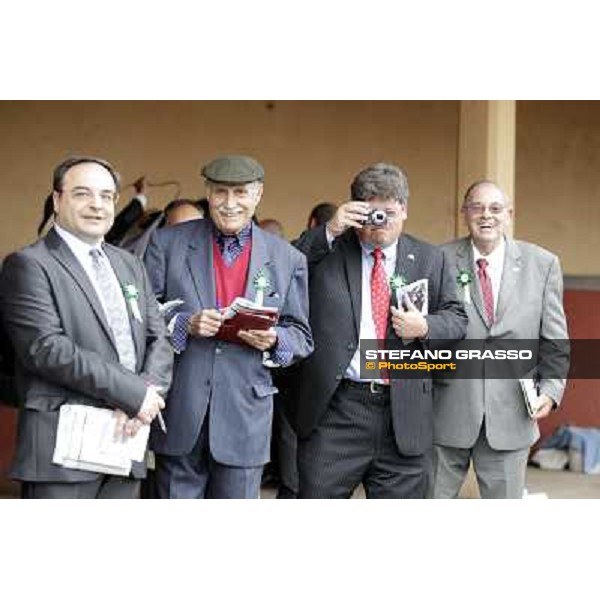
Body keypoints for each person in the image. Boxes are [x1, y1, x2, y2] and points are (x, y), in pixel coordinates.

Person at [286, 162, 467, 499]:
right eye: (372, 213)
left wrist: (425, 326)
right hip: (337, 411)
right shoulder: (330, 251)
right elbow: (287, 268)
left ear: (405, 210)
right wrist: (331, 229)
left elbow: (457, 318)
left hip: (404, 413)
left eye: (389, 212)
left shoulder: (430, 258)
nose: (380, 222)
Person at [0, 156, 174, 499]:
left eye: (107, 196)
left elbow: (159, 338)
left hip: (127, 437)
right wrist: (132, 393)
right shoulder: (30, 265)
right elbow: (46, 348)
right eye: (82, 194)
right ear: (57, 200)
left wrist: (148, 395)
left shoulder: (129, 264)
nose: (97, 205)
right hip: (63, 448)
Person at [144, 155, 313, 499]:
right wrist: (183, 324)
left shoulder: (287, 258)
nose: (231, 203)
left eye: (241, 193)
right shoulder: (167, 244)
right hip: (180, 409)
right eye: (221, 192)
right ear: (208, 193)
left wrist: (274, 339)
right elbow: (142, 320)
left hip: (245, 416)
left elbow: (301, 335)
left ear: (258, 195)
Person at [432, 180, 569, 499]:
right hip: (446, 409)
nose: (486, 216)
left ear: (509, 214)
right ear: (464, 212)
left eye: (495, 209)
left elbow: (555, 339)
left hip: (513, 413)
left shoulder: (542, 264)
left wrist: (550, 390)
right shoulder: (439, 259)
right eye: (477, 207)